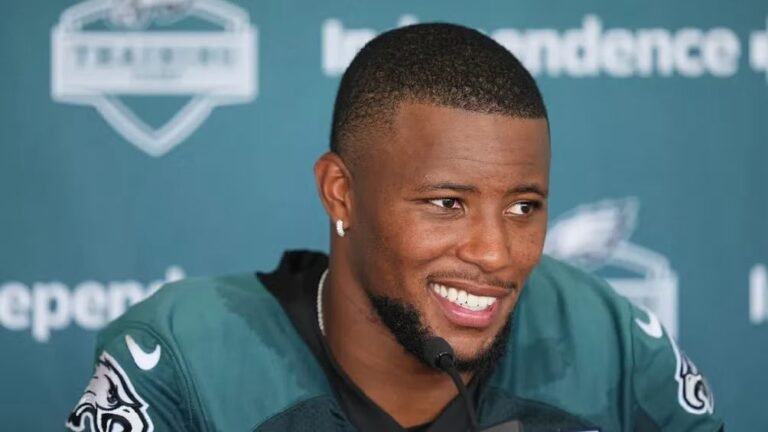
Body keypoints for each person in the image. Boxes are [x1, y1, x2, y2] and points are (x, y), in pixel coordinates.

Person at [65, 23, 723, 432]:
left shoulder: (608, 339)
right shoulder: (183, 358)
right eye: (446, 203)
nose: (496, 253)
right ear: (341, 193)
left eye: (523, 207)